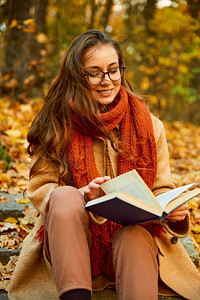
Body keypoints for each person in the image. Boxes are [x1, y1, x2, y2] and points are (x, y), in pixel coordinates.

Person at [8, 29, 200, 300]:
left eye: (113, 70)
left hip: (129, 246)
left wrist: (174, 212)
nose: (106, 80)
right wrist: (83, 196)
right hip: (73, 242)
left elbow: (161, 189)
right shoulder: (55, 123)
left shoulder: (150, 125)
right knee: (63, 196)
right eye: (94, 72)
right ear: (77, 75)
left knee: (133, 235)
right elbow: (40, 188)